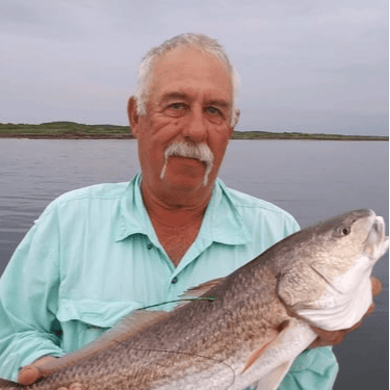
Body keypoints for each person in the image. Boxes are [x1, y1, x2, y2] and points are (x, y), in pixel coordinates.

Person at [0, 33, 381, 390]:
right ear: (137, 116)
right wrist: (47, 369)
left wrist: (312, 339)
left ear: (231, 127)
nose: (196, 130)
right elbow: (10, 330)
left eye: (215, 110)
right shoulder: (68, 219)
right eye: (177, 105)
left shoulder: (276, 230)